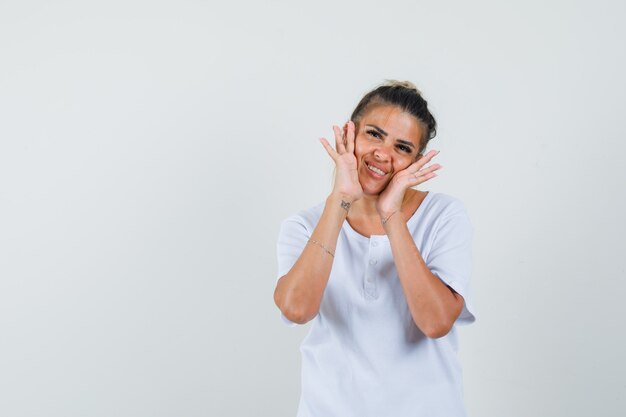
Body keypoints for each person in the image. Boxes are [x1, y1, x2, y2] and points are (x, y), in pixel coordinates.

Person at [273, 80, 476, 417]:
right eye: (374, 134)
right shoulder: (304, 226)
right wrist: (340, 200)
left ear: (416, 162)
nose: (383, 154)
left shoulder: (443, 215)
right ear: (349, 134)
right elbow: (297, 308)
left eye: (403, 147)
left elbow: (436, 322)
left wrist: (391, 215)